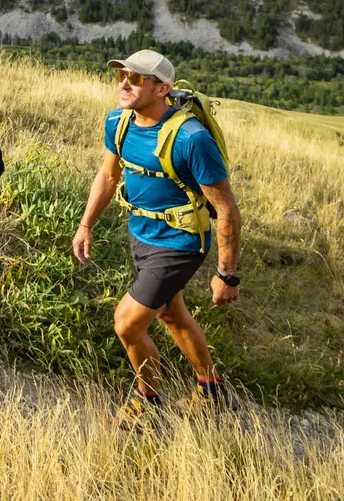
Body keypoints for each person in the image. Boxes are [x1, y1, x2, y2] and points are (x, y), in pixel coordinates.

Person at [71, 49, 243, 428]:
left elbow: (227, 208)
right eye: (121, 76)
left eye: (135, 78)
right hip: (141, 233)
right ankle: (213, 392)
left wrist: (227, 274)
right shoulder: (118, 122)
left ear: (162, 88)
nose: (124, 84)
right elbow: (108, 176)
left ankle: (147, 401)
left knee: (127, 324)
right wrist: (86, 225)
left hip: (180, 243)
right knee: (171, 314)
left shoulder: (191, 139)